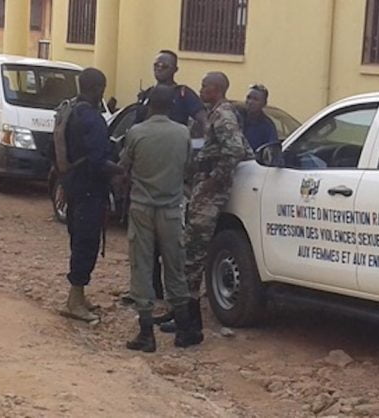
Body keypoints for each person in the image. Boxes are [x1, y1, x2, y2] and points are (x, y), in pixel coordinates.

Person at [118, 85, 198, 352]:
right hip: (172, 209)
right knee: (174, 266)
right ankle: (184, 330)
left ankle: (146, 332)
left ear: (149, 105)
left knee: (142, 266)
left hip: (142, 208)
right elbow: (187, 167)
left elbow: (124, 166)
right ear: (172, 106)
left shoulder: (136, 132)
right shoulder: (182, 133)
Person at [182, 71, 254, 338]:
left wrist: (215, 180)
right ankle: (183, 312)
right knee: (190, 248)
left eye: (205, 86)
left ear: (216, 89)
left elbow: (235, 150)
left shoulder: (223, 115)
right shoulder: (211, 114)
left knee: (194, 250)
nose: (200, 90)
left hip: (211, 192)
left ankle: (190, 322)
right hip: (201, 186)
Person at [63, 68, 124, 323]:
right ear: (98, 88)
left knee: (78, 238)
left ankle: (78, 295)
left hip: (72, 186)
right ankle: (75, 299)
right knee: (87, 243)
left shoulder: (69, 110)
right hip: (90, 189)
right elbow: (99, 161)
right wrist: (121, 170)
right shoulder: (93, 119)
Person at [240, 84, 279, 152]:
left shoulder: (267, 126)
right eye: (248, 98)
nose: (250, 102)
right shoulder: (236, 117)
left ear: (264, 103)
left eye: (255, 99)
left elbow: (272, 150)